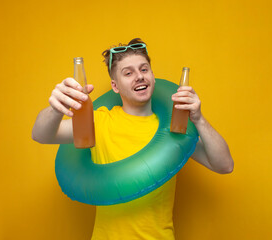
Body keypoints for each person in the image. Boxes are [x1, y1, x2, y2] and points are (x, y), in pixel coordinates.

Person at [32, 38, 234, 240]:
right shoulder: (100, 121)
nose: (139, 76)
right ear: (115, 86)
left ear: (153, 77)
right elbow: (41, 135)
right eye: (128, 73)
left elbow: (224, 165)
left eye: (144, 69)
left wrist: (198, 119)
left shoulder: (174, 128)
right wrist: (55, 107)